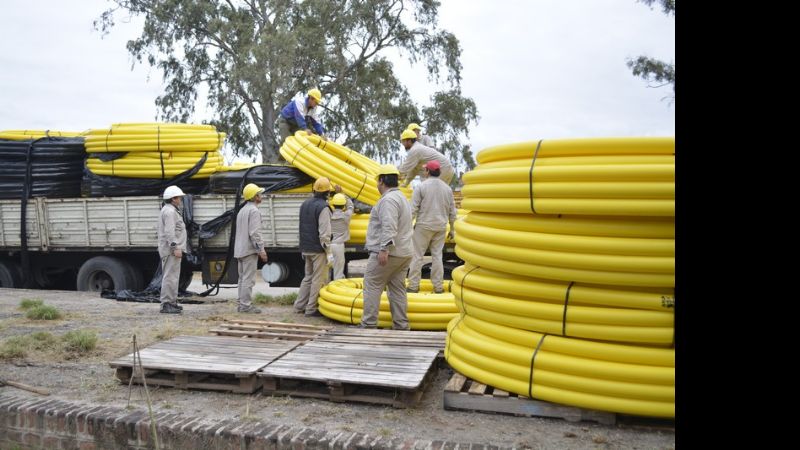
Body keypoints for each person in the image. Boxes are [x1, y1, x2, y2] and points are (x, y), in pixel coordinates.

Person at [359, 164, 413, 330]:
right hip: (404, 252)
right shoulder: (402, 198)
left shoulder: (388, 200)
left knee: (372, 285)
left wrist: (384, 249)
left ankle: (368, 324)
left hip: (389, 252)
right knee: (397, 289)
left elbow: (389, 225)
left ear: (381, 181)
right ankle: (401, 325)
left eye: (377, 181)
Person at [406, 160, 457, 294]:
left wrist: (407, 227)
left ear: (428, 171)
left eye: (425, 170)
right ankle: (438, 287)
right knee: (437, 256)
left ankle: (413, 286)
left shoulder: (421, 187)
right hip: (440, 227)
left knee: (417, 256)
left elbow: (413, 209)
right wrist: (452, 229)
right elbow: (453, 211)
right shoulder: (447, 189)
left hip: (424, 226)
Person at [293, 177, 334, 317]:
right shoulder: (324, 207)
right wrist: (328, 251)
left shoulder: (304, 204)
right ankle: (311, 309)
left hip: (306, 247)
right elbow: (324, 233)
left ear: (314, 190)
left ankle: (299, 306)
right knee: (318, 279)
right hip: (318, 249)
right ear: (327, 192)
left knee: (308, 277)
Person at [234, 183, 269, 314]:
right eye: (259, 194)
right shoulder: (254, 211)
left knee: (242, 279)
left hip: (240, 250)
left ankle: (241, 304)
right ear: (254, 197)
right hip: (249, 250)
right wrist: (261, 250)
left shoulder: (242, 210)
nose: (261, 196)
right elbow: (254, 233)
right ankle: (245, 306)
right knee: (248, 280)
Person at [157, 185, 187, 314]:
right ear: (173, 198)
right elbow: (169, 232)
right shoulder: (169, 212)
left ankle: (172, 302)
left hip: (171, 249)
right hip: (171, 250)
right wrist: (175, 247)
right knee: (170, 276)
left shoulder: (170, 210)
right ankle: (166, 303)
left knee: (173, 276)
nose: (180, 199)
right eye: (179, 197)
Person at [329, 187, 354, 280]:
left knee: (326, 270)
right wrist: (342, 194)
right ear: (343, 206)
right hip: (339, 246)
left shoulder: (328, 214)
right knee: (338, 271)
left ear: (333, 204)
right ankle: (336, 288)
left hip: (328, 245)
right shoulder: (346, 216)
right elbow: (351, 206)